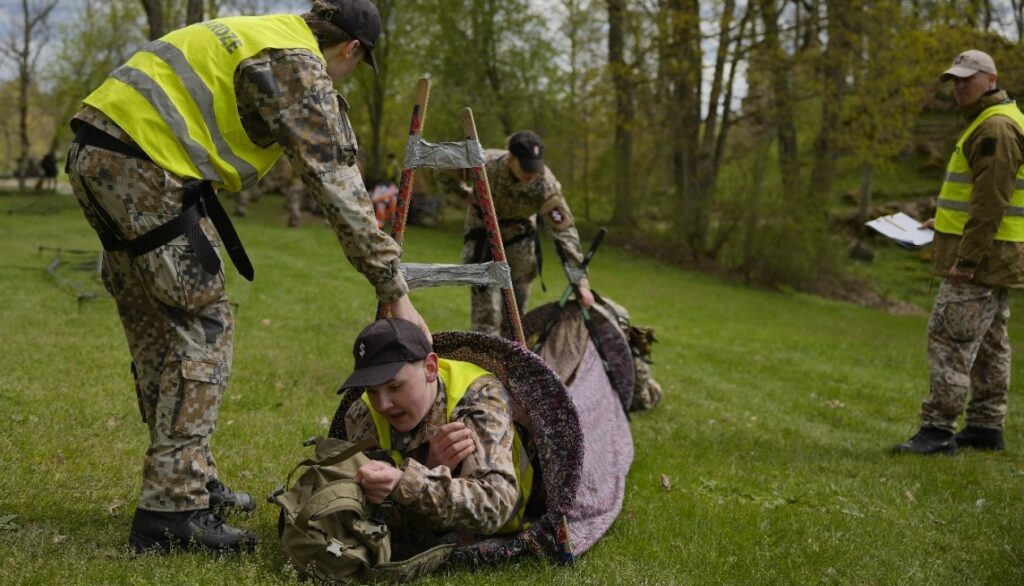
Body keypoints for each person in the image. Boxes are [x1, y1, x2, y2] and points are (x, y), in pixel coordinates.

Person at [64, 0, 428, 553]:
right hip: (143, 165)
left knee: (158, 328)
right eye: (355, 65)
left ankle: (188, 479)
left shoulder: (262, 32)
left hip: (97, 151)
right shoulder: (299, 64)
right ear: (351, 49)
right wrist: (392, 287)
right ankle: (173, 511)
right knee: (203, 328)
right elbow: (336, 182)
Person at [895, 50, 1024, 455]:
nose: (959, 85)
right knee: (990, 342)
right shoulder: (993, 121)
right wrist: (943, 224)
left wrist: (965, 260)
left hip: (981, 259)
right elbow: (981, 200)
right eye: (954, 78)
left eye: (968, 77)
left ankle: (937, 431)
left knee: (949, 336)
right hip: (997, 255)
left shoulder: (995, 128)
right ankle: (986, 427)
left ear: (991, 78)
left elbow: (991, 204)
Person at [341, 318, 533, 547]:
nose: (382, 405)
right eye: (372, 391)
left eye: (394, 387)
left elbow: (494, 507)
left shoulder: (478, 396)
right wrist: (427, 470)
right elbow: (369, 519)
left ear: (430, 368)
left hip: (522, 511)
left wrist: (407, 483)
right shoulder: (362, 414)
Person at [440, 131, 594, 335]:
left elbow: (564, 233)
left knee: (515, 318)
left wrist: (580, 282)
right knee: (487, 315)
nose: (532, 175)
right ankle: (485, 362)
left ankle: (512, 363)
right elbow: (442, 169)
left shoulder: (545, 184)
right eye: (526, 168)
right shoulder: (483, 164)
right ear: (511, 158)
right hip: (484, 238)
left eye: (535, 168)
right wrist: (463, 193)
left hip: (520, 242)